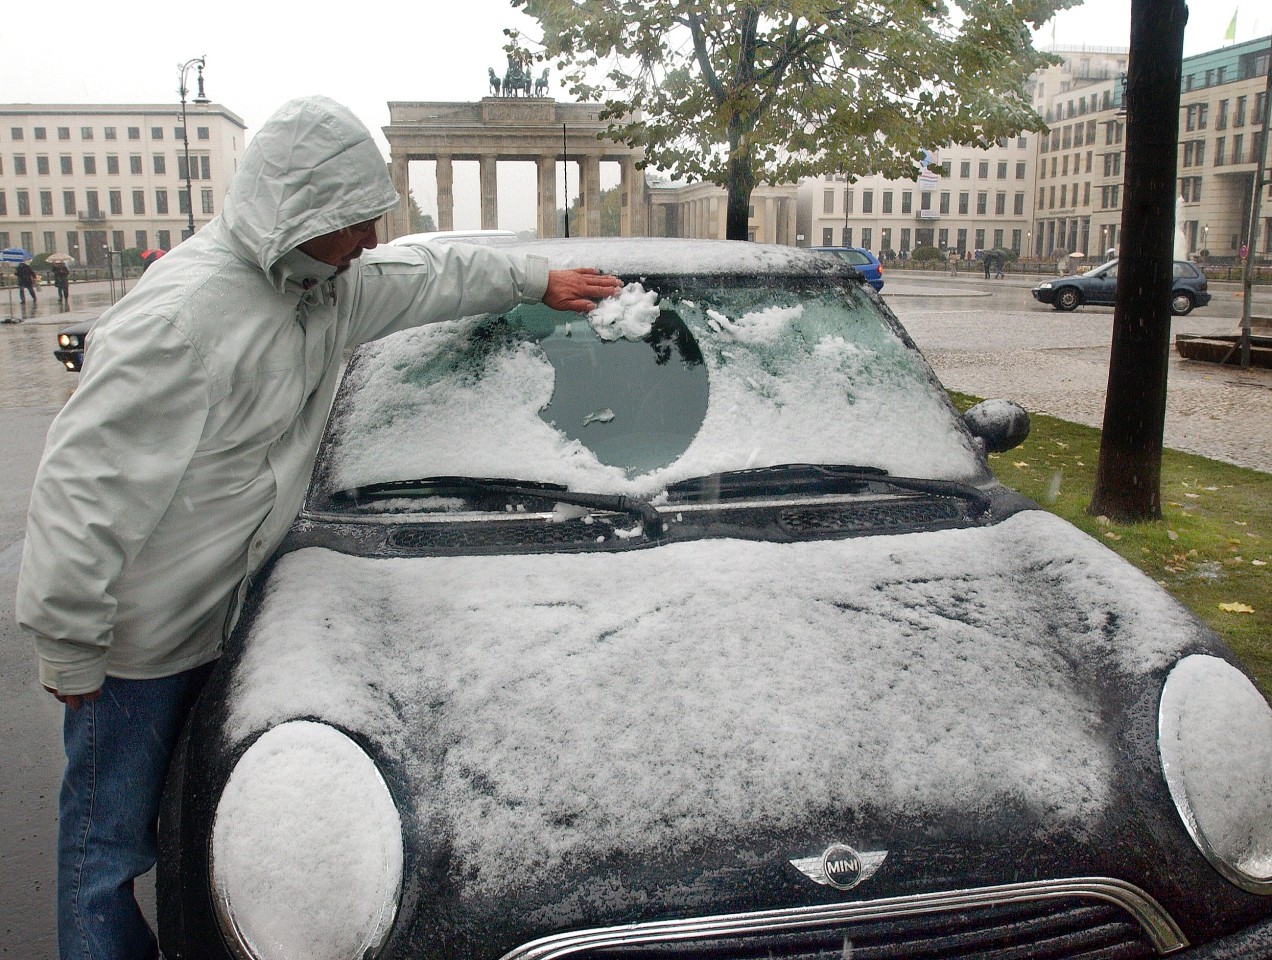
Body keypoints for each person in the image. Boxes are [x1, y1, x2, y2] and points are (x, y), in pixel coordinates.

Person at [16, 95, 621, 960]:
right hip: (138, 646)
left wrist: (534, 280)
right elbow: (83, 492)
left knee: (198, 829)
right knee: (105, 855)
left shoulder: (319, 286)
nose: (369, 241)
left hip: (228, 615)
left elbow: (424, 281)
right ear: (300, 217)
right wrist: (70, 641)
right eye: (354, 224)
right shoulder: (181, 320)